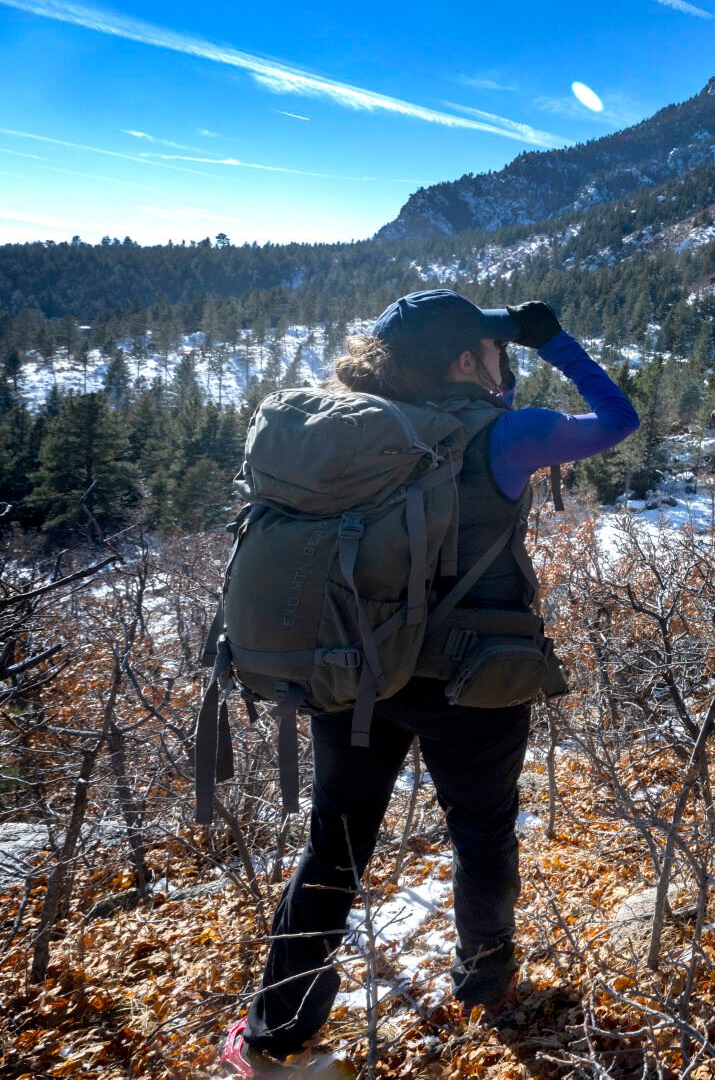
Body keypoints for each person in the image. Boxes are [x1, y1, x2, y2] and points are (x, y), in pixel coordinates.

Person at [220, 291, 638, 1073]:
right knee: (481, 835)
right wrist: (551, 342)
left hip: (359, 670)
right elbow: (619, 421)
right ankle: (487, 984)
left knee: (335, 844)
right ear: (465, 360)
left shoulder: (355, 432)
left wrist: (491, 357)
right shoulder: (509, 434)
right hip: (473, 681)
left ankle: (275, 1028)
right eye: (490, 352)